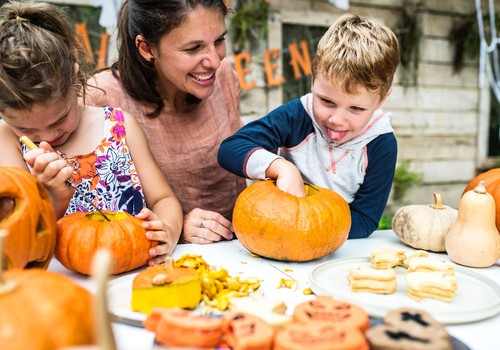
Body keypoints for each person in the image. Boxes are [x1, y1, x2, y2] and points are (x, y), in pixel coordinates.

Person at [0, 0, 183, 264]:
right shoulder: (8, 142)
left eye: (59, 118)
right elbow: (17, 240)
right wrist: (52, 197)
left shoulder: (119, 127)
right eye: (25, 129)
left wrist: (167, 229)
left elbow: (164, 198)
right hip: (58, 288)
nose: (48, 137)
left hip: (133, 274)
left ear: (76, 80)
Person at [218, 13, 400, 239]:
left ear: (381, 100)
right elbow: (231, 148)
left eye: (356, 109)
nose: (337, 119)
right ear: (313, 80)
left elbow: (365, 220)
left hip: (332, 247)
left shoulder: (381, 144)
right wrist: (283, 168)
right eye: (327, 101)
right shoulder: (297, 116)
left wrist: (307, 229)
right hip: (277, 231)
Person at [85, 0, 247, 244]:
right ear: (147, 49)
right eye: (193, 48)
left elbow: (238, 179)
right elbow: (90, 218)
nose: (214, 61)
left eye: (219, 41)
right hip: (156, 262)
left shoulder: (224, 76)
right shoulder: (101, 99)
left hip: (241, 251)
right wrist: (174, 228)